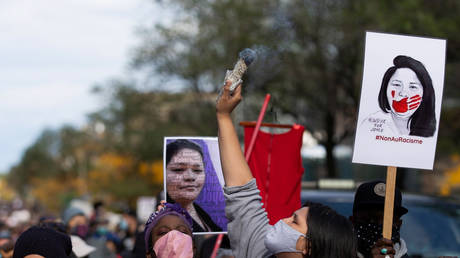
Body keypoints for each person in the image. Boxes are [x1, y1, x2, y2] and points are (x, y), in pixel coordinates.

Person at [216, 81, 357, 257]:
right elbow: (241, 189)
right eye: (292, 216)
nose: (283, 220)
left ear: (308, 247)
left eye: (294, 221)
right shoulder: (260, 251)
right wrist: (223, 115)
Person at [361, 55, 436, 137]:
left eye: (413, 87)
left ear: (425, 94)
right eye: (396, 84)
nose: (403, 93)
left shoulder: (429, 131)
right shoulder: (370, 124)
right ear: (385, 88)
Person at [165, 139, 222, 232]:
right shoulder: (162, 220)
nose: (190, 177)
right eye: (179, 169)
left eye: (197, 170)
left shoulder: (203, 214)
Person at [350, 180, 409, 258]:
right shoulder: (336, 253)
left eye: (387, 220)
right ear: (352, 221)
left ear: (398, 224)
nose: (378, 225)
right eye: (368, 219)